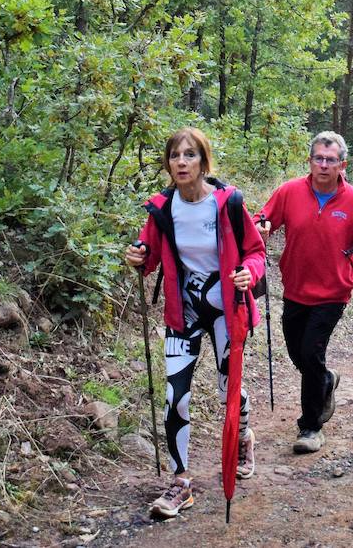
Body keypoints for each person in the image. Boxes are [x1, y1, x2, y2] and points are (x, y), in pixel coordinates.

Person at [125, 126, 266, 519]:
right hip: (182, 311)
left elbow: (256, 253)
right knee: (176, 396)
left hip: (227, 310)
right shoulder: (162, 208)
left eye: (189, 155)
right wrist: (136, 257)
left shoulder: (228, 203)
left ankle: (241, 439)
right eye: (174, 156)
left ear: (204, 162)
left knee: (228, 389)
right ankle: (180, 482)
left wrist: (248, 275)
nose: (181, 162)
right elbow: (148, 257)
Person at [256, 130, 353, 454]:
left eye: (331, 160)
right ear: (310, 161)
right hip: (295, 289)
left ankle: (310, 427)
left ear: (343, 164)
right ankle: (325, 380)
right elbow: (263, 218)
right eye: (319, 159)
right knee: (300, 354)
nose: (324, 165)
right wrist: (261, 227)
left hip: (333, 293)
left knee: (311, 353)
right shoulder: (289, 192)